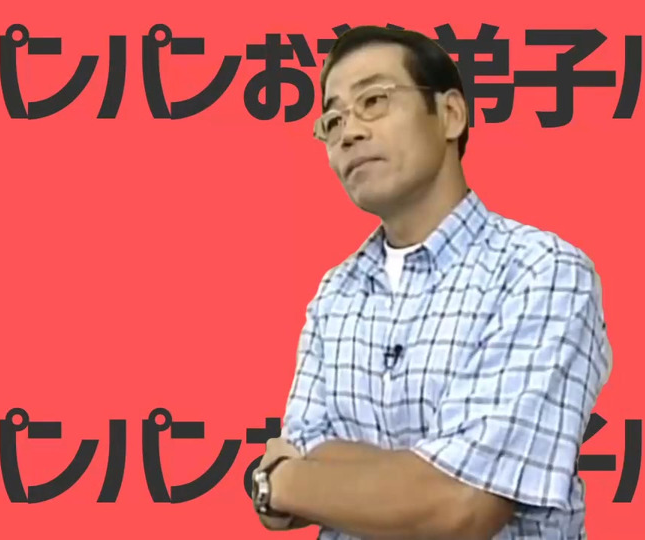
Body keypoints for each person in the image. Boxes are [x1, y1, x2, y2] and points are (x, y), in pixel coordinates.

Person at [252, 25, 613, 539]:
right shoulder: (335, 292)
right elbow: (284, 502)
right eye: (332, 120)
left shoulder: (542, 270)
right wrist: (415, 476)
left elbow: (460, 507)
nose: (348, 133)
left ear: (450, 115)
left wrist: (286, 481)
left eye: (373, 101)